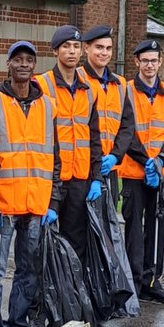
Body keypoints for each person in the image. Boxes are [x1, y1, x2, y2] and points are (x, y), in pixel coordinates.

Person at [0, 41, 62, 327]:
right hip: (3, 204)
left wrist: (53, 201)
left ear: (34, 66)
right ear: (8, 64)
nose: (24, 65)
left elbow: (55, 158)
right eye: (18, 59)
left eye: (29, 60)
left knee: (29, 272)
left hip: (37, 205)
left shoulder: (47, 106)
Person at [115, 38, 164, 304]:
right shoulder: (126, 91)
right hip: (133, 170)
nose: (150, 65)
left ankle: (152, 280)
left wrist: (161, 159)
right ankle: (133, 283)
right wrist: (146, 159)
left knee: (157, 227)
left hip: (160, 172)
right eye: (145, 61)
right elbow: (126, 131)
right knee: (133, 228)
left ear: (160, 62)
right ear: (137, 62)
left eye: (154, 61)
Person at [36, 25, 103, 271]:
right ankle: (44, 299)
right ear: (56, 51)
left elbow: (94, 136)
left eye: (76, 46)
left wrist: (96, 176)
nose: (72, 51)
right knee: (44, 244)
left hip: (79, 177)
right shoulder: (41, 86)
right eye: (66, 46)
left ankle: (73, 298)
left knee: (76, 242)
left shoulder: (89, 89)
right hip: (51, 178)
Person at [78, 24, 135, 197]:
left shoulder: (120, 84)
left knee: (107, 222)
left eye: (109, 48)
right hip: (83, 165)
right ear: (86, 48)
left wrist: (115, 156)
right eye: (99, 47)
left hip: (109, 167)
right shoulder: (77, 78)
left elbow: (127, 126)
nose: (104, 53)